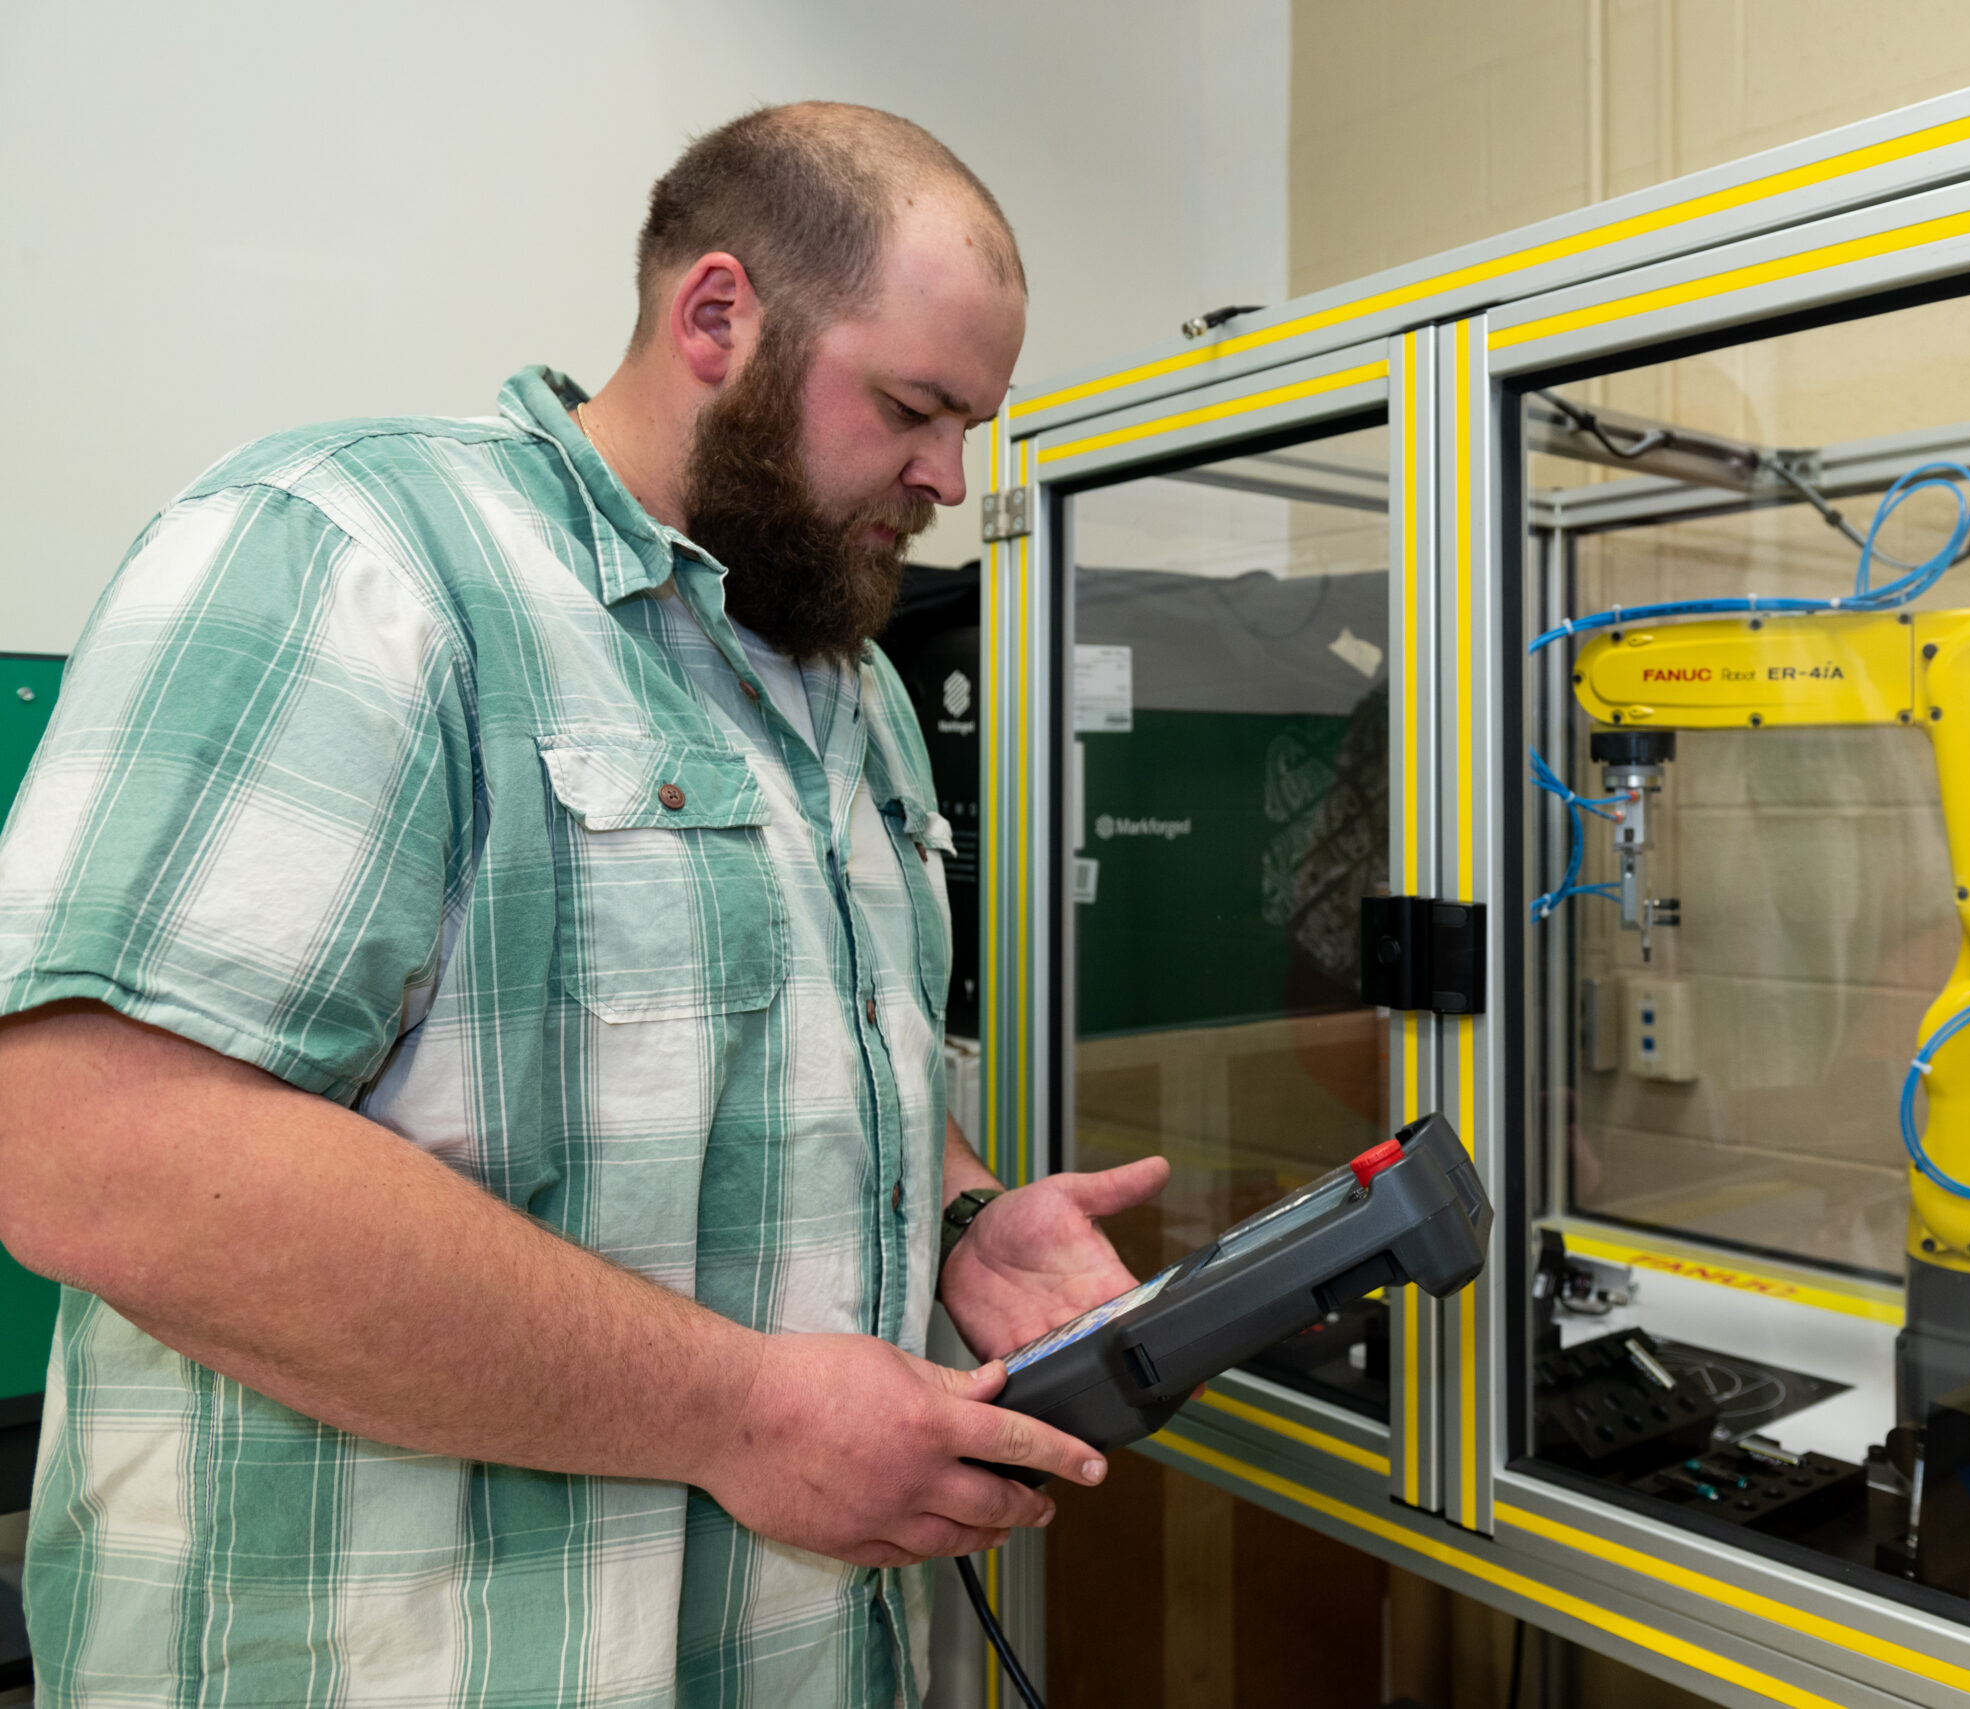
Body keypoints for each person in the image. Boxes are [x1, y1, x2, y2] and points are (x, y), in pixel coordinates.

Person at [0, 102, 1166, 1703]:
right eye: (912, 406)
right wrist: (747, 1415)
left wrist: (961, 1212)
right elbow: (91, 1149)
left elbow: (807, 1062)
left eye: (972, 426)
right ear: (715, 317)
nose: (950, 481)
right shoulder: (355, 553)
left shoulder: (853, 696)